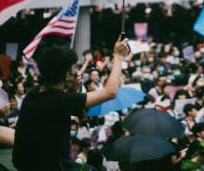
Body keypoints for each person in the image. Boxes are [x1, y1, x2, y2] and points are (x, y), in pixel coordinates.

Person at [12, 37, 129, 171]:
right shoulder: (62, 100)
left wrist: (73, 89)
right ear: (67, 75)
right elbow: (110, 92)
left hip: (24, 163)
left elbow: (60, 108)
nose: (78, 71)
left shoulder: (33, 94)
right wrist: (118, 56)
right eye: (75, 67)